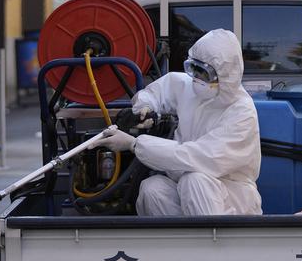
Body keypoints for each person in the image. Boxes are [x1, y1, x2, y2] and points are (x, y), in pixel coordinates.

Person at [92, 28, 262, 216]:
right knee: (152, 189)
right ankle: (177, 245)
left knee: (195, 181)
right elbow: (158, 91)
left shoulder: (241, 111)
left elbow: (196, 158)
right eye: (193, 69)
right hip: (185, 184)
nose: (196, 78)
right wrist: (145, 108)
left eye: (203, 73)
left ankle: (215, 244)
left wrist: (134, 144)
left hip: (231, 196)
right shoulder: (192, 87)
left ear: (224, 75)